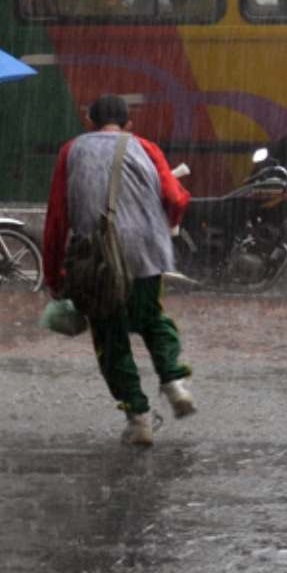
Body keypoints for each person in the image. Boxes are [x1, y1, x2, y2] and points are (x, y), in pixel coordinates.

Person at [43, 94, 196, 446]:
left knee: (110, 337)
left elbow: (57, 216)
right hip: (144, 252)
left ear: (89, 121)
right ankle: (173, 381)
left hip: (97, 259)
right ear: (128, 124)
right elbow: (174, 199)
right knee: (152, 319)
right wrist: (165, 223)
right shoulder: (146, 147)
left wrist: (53, 275)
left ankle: (139, 417)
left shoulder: (71, 151)